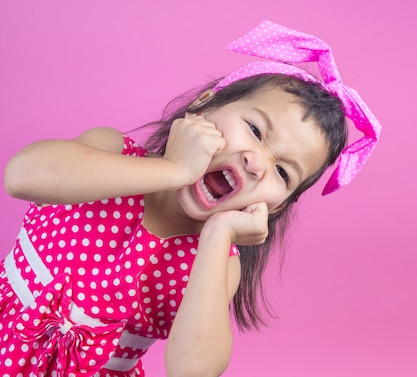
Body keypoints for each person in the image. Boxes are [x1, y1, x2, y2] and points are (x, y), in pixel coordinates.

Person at [0, 20, 381, 377]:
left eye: (283, 173)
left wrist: (218, 238)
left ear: (277, 205)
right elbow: (21, 176)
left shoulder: (215, 263)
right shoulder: (110, 152)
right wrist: (175, 170)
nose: (256, 162)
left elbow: (191, 370)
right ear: (203, 104)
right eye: (254, 129)